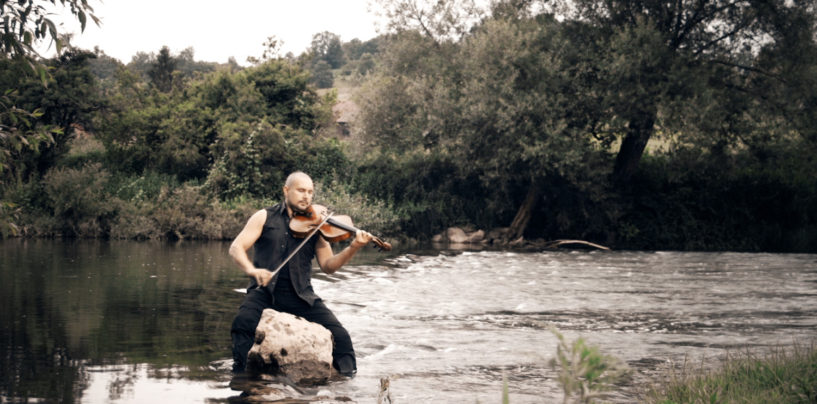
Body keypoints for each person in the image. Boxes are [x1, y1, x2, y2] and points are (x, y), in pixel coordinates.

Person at [229, 171, 373, 376]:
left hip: (301, 295)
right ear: (286, 190)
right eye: (301, 190)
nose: (306, 196)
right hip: (264, 292)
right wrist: (252, 270)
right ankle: (243, 378)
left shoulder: (317, 225)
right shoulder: (264, 217)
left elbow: (328, 266)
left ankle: (345, 384)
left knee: (342, 339)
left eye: (310, 192)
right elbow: (236, 248)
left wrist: (354, 247)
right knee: (242, 324)